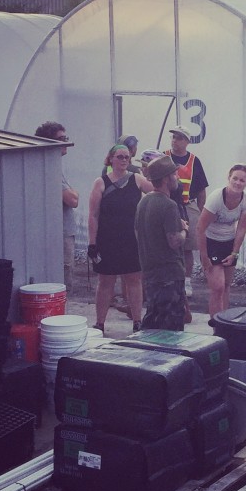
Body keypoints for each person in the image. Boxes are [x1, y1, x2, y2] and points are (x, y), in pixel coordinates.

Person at [87, 143, 152, 334]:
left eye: (126, 157)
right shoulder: (100, 182)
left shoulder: (137, 179)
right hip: (107, 240)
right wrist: (92, 242)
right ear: (111, 159)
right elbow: (93, 215)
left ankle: (137, 321)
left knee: (134, 280)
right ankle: (99, 323)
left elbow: (159, 192)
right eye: (120, 157)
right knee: (106, 281)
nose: (124, 160)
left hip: (131, 239)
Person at [134, 155, 187, 331]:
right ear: (166, 178)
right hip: (169, 277)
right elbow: (174, 241)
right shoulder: (169, 205)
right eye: (175, 174)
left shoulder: (143, 201)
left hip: (150, 275)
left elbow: (137, 232)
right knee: (171, 332)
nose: (177, 177)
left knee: (152, 324)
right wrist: (184, 230)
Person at [198, 164, 246, 320]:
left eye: (242, 180)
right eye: (234, 178)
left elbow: (242, 228)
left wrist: (234, 252)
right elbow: (200, 228)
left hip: (229, 243)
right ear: (229, 178)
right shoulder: (216, 197)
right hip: (211, 242)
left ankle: (225, 322)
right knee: (218, 287)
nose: (237, 182)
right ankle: (216, 326)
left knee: (227, 286)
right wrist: (204, 256)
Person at [165, 125, 209, 301]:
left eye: (179, 138)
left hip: (187, 206)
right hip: (167, 204)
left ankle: (187, 281)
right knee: (167, 243)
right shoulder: (164, 157)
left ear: (187, 142)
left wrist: (201, 212)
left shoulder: (194, 161)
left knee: (188, 246)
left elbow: (201, 189)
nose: (175, 140)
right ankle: (169, 280)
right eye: (174, 137)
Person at [34, 121, 78, 290]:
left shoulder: (55, 167)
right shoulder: (48, 168)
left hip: (60, 231)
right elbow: (73, 200)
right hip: (59, 233)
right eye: (61, 138)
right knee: (62, 281)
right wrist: (75, 192)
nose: (66, 141)